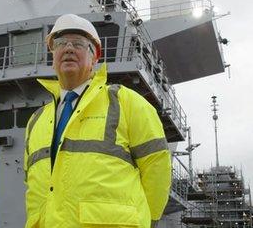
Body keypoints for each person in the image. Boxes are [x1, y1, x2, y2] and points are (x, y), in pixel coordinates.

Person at [23, 14, 171, 228]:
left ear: (96, 57)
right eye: (60, 43)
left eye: (79, 44)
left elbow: (156, 168)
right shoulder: (36, 121)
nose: (68, 48)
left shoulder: (126, 102)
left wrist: (147, 221)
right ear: (52, 54)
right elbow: (34, 188)